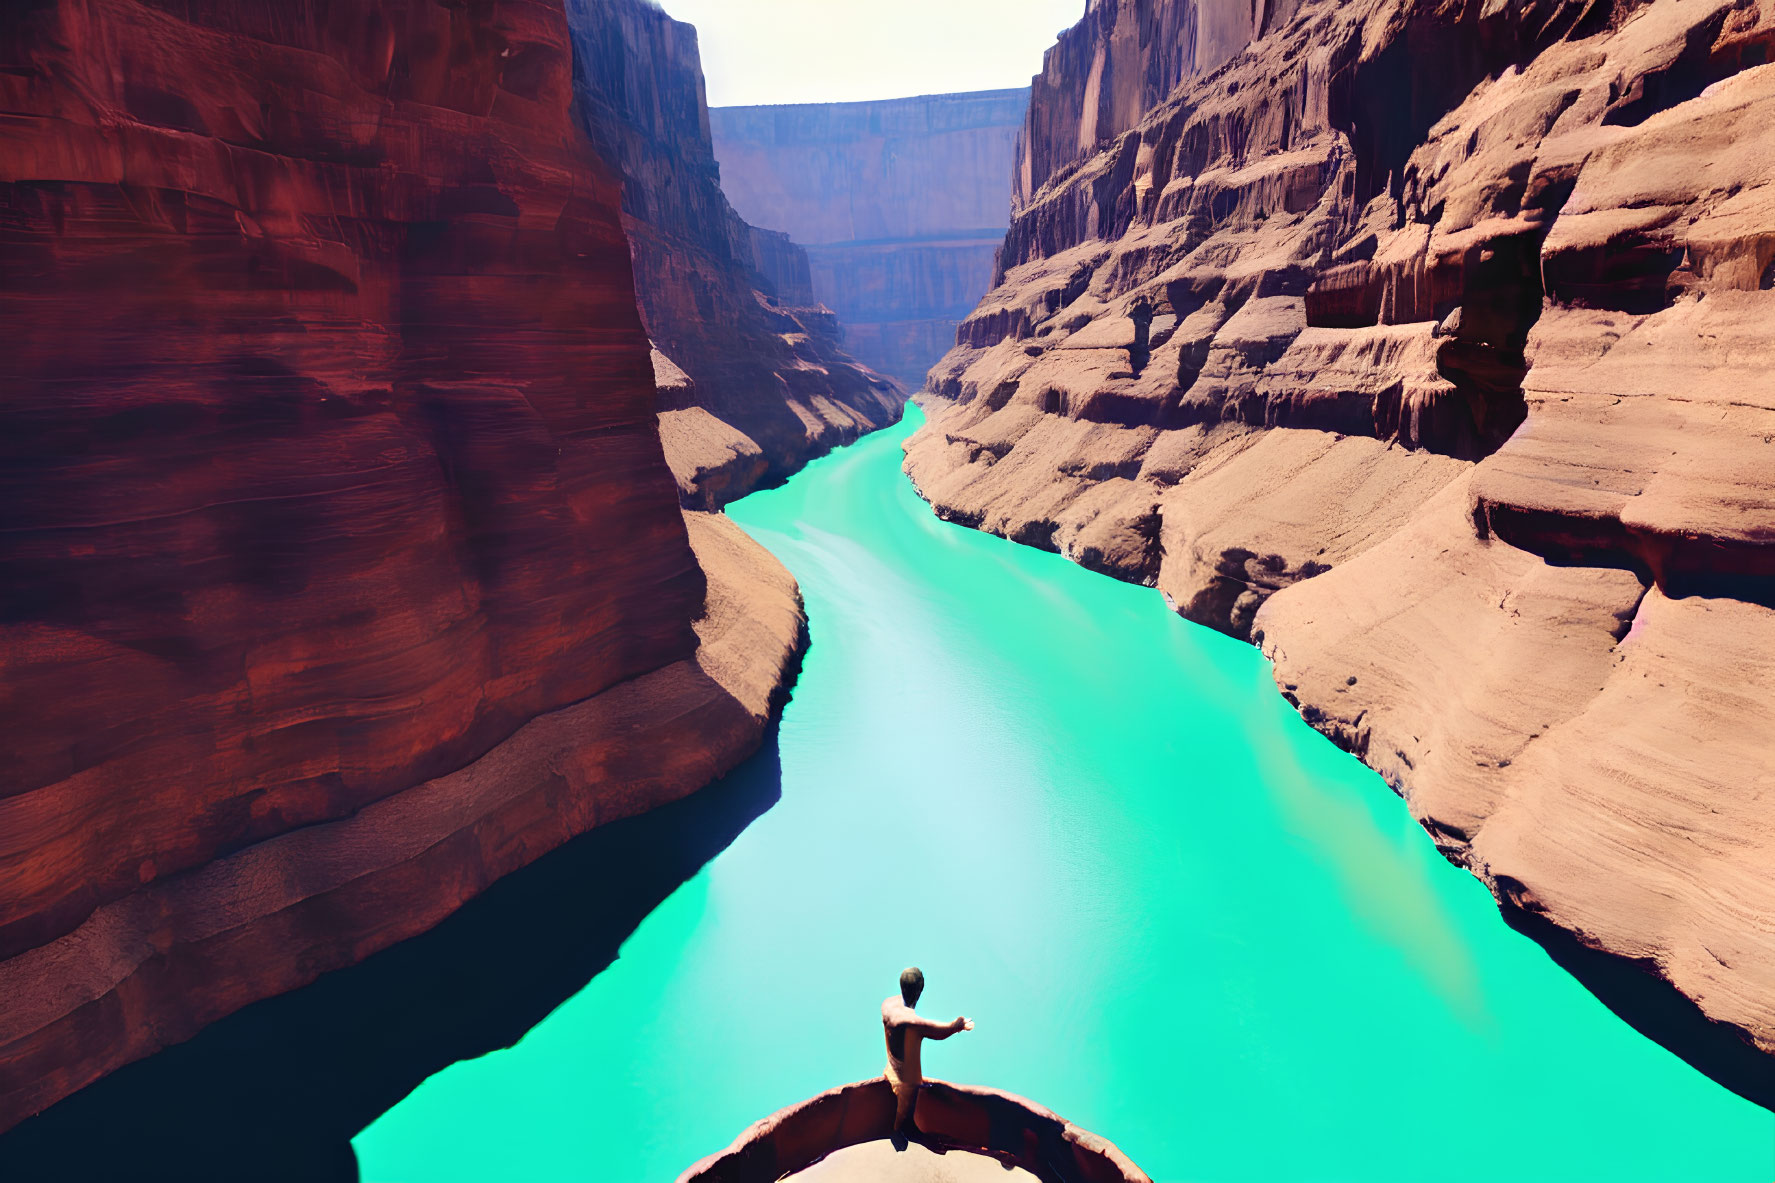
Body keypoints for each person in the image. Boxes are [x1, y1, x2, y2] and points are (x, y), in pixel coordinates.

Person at [881, 967, 973, 1135]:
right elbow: (940, 1031)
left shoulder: (887, 1005)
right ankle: (903, 1132)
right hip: (906, 1081)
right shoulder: (911, 1022)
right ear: (920, 990)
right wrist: (959, 1025)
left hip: (891, 1068)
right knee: (906, 1113)